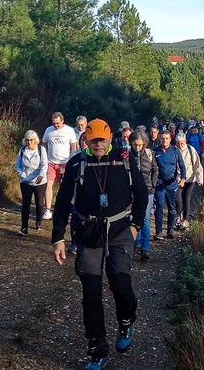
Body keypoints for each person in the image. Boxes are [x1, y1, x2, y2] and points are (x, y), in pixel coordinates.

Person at [52, 119, 148, 370]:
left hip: (120, 231)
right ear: (85, 139)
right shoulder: (77, 163)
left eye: (102, 140)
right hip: (88, 233)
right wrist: (58, 237)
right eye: (93, 140)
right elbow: (62, 201)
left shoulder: (124, 159)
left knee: (120, 283)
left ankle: (126, 320)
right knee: (91, 293)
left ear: (109, 138)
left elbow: (141, 192)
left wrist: (136, 226)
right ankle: (97, 349)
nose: (98, 145)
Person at [42, 111, 79, 220]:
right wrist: (43, 159)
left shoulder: (69, 130)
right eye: (53, 123)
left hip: (64, 163)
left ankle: (64, 209)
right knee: (48, 185)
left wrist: (71, 162)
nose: (55, 125)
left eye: (57, 123)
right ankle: (48, 210)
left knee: (64, 187)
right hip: (50, 162)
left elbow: (74, 146)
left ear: (62, 121)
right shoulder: (48, 130)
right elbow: (44, 145)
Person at [152, 130, 186, 240]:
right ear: (160, 139)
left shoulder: (175, 151)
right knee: (159, 207)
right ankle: (158, 232)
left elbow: (182, 166)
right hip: (159, 185)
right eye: (162, 138)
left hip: (172, 184)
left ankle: (170, 230)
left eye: (167, 138)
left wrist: (183, 179)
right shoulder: (155, 151)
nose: (164, 140)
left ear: (170, 139)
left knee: (172, 207)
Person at [129, 130, 157, 260]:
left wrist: (153, 184)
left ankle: (145, 247)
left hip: (147, 191)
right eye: (135, 144)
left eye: (140, 145)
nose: (137, 147)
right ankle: (137, 243)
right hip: (132, 191)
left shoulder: (150, 154)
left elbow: (155, 170)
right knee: (133, 217)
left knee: (145, 218)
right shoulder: (127, 155)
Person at [14, 130, 48, 236]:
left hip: (39, 181)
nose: (29, 142)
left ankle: (38, 221)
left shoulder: (41, 150)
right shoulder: (22, 150)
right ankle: (24, 227)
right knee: (26, 203)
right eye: (27, 140)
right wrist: (22, 176)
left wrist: (41, 175)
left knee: (39, 202)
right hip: (25, 181)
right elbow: (17, 165)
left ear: (36, 140)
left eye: (32, 140)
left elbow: (44, 164)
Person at [174, 132, 203, 231]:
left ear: (185, 141)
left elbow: (197, 165)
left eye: (182, 143)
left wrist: (199, 179)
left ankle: (185, 220)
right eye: (178, 143)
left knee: (186, 198)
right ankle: (179, 215)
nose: (180, 145)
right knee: (177, 199)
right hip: (178, 178)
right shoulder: (173, 150)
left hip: (190, 178)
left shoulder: (191, 150)